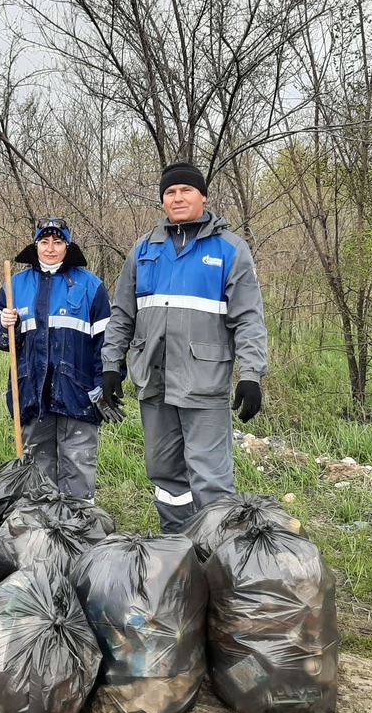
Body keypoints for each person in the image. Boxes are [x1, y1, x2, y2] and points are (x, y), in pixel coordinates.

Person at [100, 162, 267, 532]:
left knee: (210, 478)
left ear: (202, 196)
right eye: (170, 192)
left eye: (185, 191)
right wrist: (111, 366)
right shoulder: (144, 250)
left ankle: (218, 560)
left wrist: (251, 375)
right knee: (165, 475)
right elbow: (123, 314)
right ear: (162, 200)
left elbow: (249, 319)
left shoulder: (229, 250)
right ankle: (178, 553)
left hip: (203, 382)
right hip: (154, 381)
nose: (177, 198)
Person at [0, 218, 119, 501]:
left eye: (58, 242)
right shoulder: (15, 284)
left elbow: (107, 341)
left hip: (78, 392)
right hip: (32, 391)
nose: (50, 248)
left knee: (78, 464)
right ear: (36, 245)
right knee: (38, 466)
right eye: (44, 241)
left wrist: (103, 382)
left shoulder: (90, 285)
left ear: (67, 247)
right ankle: (43, 531)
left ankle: (80, 529)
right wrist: (4, 323)